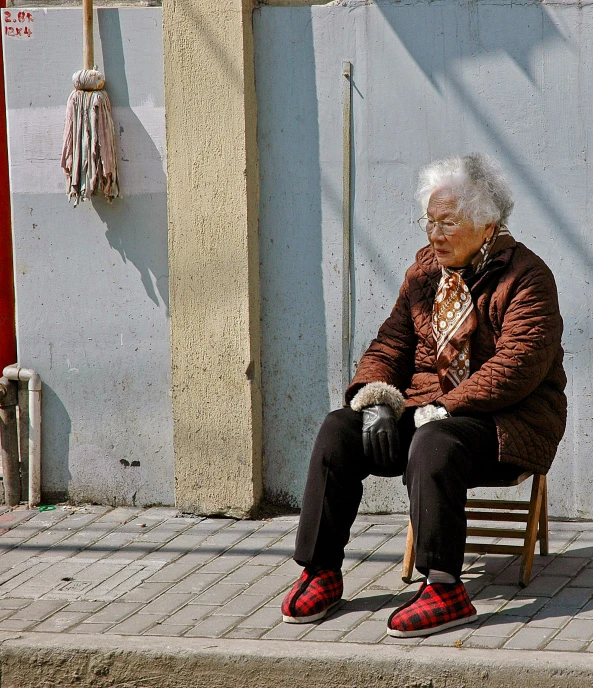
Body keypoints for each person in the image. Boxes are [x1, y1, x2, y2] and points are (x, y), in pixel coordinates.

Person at [280, 153, 567, 637]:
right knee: (338, 429)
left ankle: (444, 589)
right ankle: (320, 571)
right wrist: (373, 399)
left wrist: (444, 408)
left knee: (436, 442)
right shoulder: (425, 272)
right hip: (425, 412)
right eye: (429, 221)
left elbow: (516, 366)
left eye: (447, 222)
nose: (434, 234)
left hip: (508, 423)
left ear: (486, 225)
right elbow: (391, 342)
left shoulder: (527, 277)